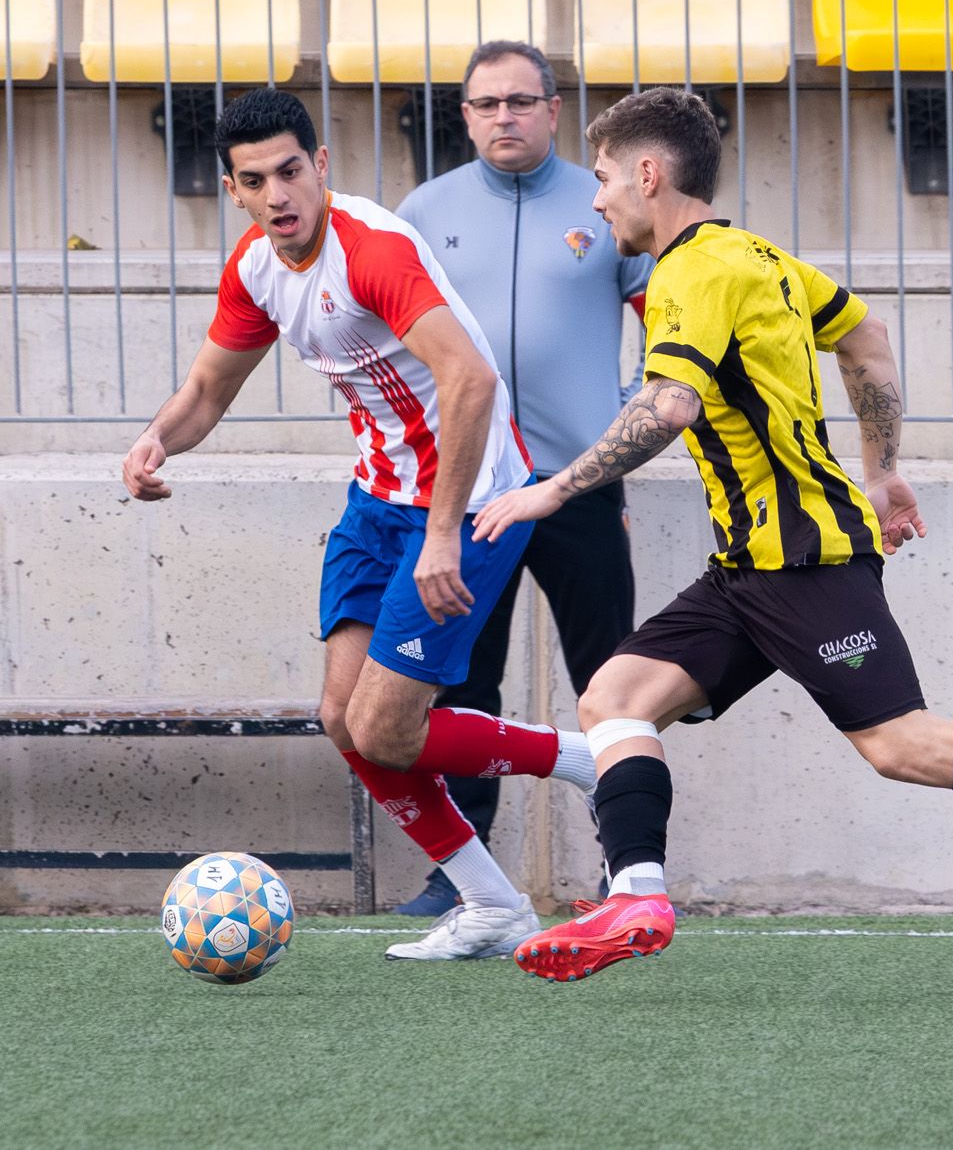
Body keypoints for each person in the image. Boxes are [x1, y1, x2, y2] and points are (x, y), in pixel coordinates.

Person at [471, 88, 953, 982]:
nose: (596, 201)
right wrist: (883, 467)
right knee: (613, 699)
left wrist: (554, 488)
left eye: (601, 180)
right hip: (747, 564)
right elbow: (866, 335)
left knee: (900, 745)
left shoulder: (690, 272)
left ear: (648, 172)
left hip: (806, 560)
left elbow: (669, 404)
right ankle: (638, 892)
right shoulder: (765, 260)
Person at [121, 88, 599, 961]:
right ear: (233, 189)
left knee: (386, 727)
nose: (278, 195)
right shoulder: (256, 267)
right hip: (376, 502)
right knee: (344, 720)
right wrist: (157, 441)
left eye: (292, 171)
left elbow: (471, 382)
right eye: (256, 180)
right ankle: (493, 904)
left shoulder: (370, 249)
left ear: (322, 167)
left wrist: (447, 531)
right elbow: (206, 393)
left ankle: (581, 759)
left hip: (472, 501)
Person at [390, 40, 652, 917]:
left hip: (577, 486)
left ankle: (628, 866)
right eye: (486, 104)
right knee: (461, 683)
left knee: (613, 679)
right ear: (463, 116)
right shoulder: (424, 213)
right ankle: (464, 881)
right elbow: (393, 340)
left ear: (553, 108)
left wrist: (624, 411)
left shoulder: (604, 201)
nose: (504, 116)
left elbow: (665, 318)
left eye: (521, 101)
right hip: (471, 493)